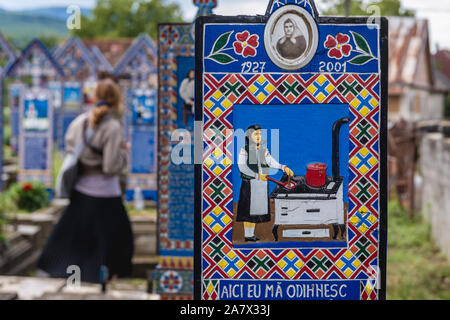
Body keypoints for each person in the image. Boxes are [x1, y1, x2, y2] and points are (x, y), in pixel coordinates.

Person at [37, 78, 134, 284]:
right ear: (117, 100)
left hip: (80, 191)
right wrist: (124, 155)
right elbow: (110, 167)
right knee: (118, 243)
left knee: (77, 241)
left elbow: (72, 151)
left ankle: (75, 279)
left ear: (95, 97)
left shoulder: (78, 122)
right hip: (107, 196)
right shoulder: (113, 127)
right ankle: (106, 282)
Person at [236, 125, 294, 242]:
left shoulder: (263, 150)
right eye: (255, 134)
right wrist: (256, 175)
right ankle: (248, 235)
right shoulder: (244, 150)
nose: (258, 136)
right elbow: (242, 167)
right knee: (248, 212)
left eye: (260, 134)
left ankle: (250, 235)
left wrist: (283, 167)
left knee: (256, 211)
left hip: (261, 185)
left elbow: (270, 161)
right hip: (250, 184)